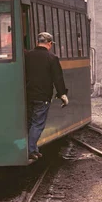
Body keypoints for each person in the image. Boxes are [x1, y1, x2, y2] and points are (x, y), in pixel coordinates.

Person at [25, 32, 69, 161]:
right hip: (42, 97)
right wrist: (62, 94)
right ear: (49, 44)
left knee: (28, 123)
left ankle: (31, 149)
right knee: (37, 124)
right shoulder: (52, 58)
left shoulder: (27, 56)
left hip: (27, 95)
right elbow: (58, 78)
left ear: (37, 42)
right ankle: (30, 150)